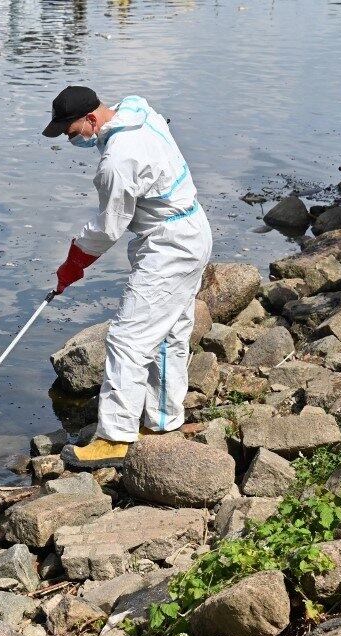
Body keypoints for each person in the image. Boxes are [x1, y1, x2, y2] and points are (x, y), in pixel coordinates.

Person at [42, 85, 212, 469]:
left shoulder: (118, 161)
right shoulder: (136, 110)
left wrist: (72, 265)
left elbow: (107, 230)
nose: (72, 141)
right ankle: (163, 420)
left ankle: (115, 437)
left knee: (127, 338)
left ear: (90, 119)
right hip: (193, 229)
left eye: (71, 133)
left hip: (169, 247)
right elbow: (134, 103)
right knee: (171, 334)